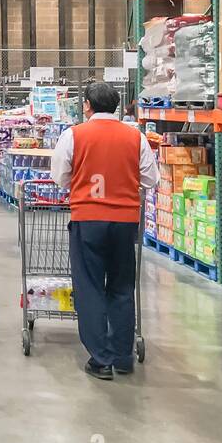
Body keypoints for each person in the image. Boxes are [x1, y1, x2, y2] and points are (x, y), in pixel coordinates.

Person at [50, 80, 160, 381]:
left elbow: (59, 176)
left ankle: (101, 359)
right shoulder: (134, 136)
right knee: (123, 286)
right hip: (125, 222)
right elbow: (151, 179)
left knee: (89, 287)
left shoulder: (73, 135)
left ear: (87, 105)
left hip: (88, 218)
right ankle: (123, 356)